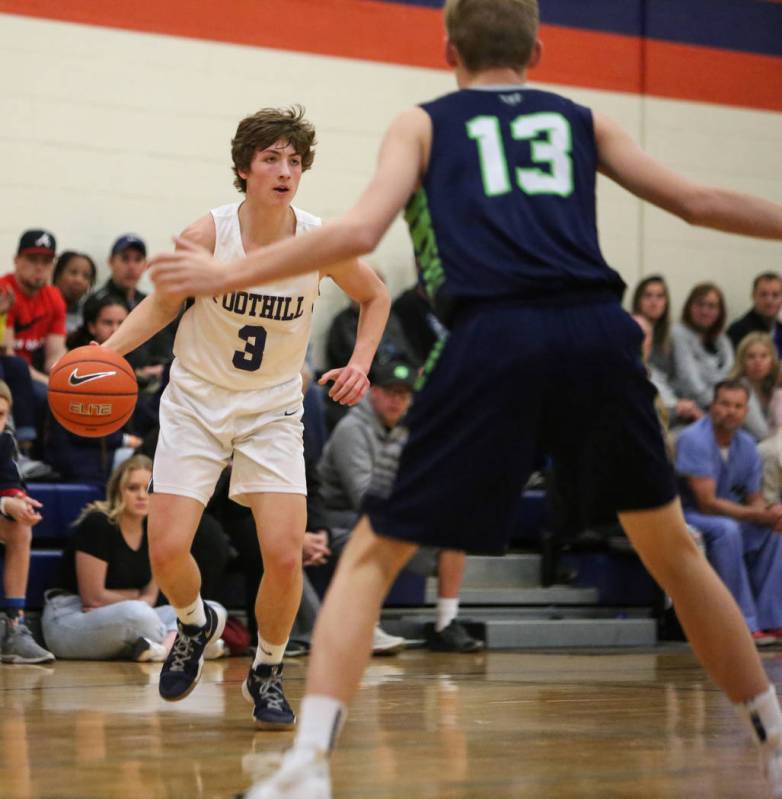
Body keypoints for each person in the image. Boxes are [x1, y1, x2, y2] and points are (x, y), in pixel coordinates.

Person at [149, 1, 782, 795]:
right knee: (676, 551)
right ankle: (771, 730)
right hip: (598, 330)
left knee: (374, 552)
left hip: (493, 334)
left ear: (448, 48)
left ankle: (308, 763)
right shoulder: (585, 118)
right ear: (539, 50)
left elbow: (358, 233)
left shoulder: (422, 123)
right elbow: (699, 203)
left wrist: (224, 273)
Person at [103, 106, 389, 730]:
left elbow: (375, 295)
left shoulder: (320, 239)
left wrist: (361, 363)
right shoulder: (207, 234)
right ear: (244, 168)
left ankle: (266, 669)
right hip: (197, 401)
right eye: (271, 159)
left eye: (294, 160)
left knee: (284, 555)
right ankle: (193, 622)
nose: (285, 171)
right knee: (168, 548)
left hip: (273, 408)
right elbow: (159, 308)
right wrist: (104, 354)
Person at [317, 356, 480, 652]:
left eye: (404, 394)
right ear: (373, 392)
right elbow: (363, 496)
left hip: (387, 512)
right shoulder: (353, 429)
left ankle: (446, 622)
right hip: (337, 518)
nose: (397, 401)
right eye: (391, 392)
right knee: (379, 530)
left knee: (453, 531)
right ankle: (365, 625)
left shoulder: (409, 431)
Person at [41, 454, 226, 660]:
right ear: (118, 491)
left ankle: (164, 651)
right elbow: (93, 597)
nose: (141, 495)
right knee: (139, 615)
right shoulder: (98, 523)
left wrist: (134, 599)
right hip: (70, 618)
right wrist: (136, 596)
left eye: (148, 489)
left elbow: (151, 597)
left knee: (210, 612)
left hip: (128, 617)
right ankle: (186, 647)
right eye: (132, 488)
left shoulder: (155, 531)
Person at [676, 380, 782, 646]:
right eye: (725, 404)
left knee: (775, 529)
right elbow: (707, 503)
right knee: (727, 530)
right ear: (712, 406)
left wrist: (770, 513)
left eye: (738, 406)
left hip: (728, 515)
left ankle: (771, 619)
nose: (731, 411)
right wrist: (756, 514)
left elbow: (754, 499)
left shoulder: (747, 445)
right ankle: (742, 623)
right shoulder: (693, 439)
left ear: (746, 411)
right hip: (687, 514)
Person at [0, 380, 53, 664]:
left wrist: (20, 503)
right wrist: (4, 504)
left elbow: (10, 485)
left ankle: (14, 627)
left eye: (1, 415)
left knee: (20, 527)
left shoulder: (3, 442)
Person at [0, 229, 66, 403]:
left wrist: (65, 379)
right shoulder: (4, 291)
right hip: (8, 370)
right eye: (32, 259)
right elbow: (8, 355)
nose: (39, 267)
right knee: (43, 394)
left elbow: (55, 354)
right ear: (16, 260)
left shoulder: (54, 296)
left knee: (67, 395)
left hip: (33, 370)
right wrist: (49, 382)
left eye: (46, 261)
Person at [631, 275, 701, 427]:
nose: (654, 302)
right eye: (648, 295)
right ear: (638, 300)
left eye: (659, 296)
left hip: (671, 401)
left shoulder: (673, 336)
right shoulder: (627, 329)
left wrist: (680, 404)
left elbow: (683, 379)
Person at [672, 283, 734, 411]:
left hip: (725, 404)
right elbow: (690, 381)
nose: (705, 311)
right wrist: (719, 405)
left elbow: (732, 374)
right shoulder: (679, 334)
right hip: (693, 407)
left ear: (720, 311)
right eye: (700, 305)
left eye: (712, 306)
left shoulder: (722, 339)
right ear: (689, 307)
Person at [728, 333, 782, 442]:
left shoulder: (775, 386)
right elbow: (761, 434)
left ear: (772, 361)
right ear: (742, 361)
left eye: (764, 356)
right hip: (748, 448)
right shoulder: (738, 388)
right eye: (751, 356)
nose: (758, 362)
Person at [727, 272, 782, 357]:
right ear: (753, 296)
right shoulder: (738, 332)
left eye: (775, 295)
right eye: (764, 295)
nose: (769, 301)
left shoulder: (780, 330)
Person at [53, 251, 97, 334]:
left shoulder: (90, 314)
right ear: (57, 275)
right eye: (73, 272)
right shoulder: (42, 307)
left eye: (86, 276)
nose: (79, 280)